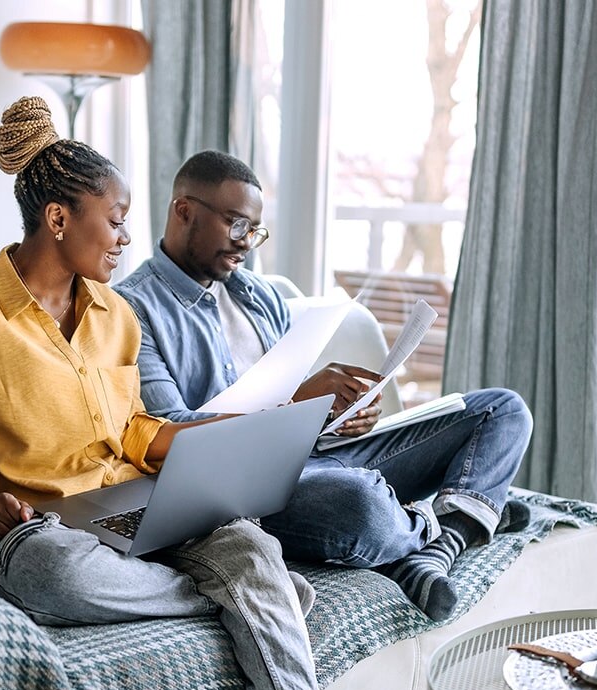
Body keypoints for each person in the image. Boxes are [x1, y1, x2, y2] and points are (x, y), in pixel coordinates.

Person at [0, 100, 326, 690]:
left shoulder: (116, 314)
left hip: (132, 498)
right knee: (57, 576)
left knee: (249, 543)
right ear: (58, 219)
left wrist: (216, 439)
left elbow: (133, 430)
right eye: (115, 221)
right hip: (38, 525)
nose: (125, 239)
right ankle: (255, 598)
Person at [114, 150, 532, 621]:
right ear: (184, 210)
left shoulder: (260, 294)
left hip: (319, 458)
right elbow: (167, 435)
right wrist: (295, 405)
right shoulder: (131, 310)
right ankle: (463, 519)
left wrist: (337, 416)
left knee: (502, 409)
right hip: (244, 491)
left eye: (255, 230)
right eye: (236, 225)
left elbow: (297, 408)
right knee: (361, 503)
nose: (247, 243)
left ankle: (435, 544)